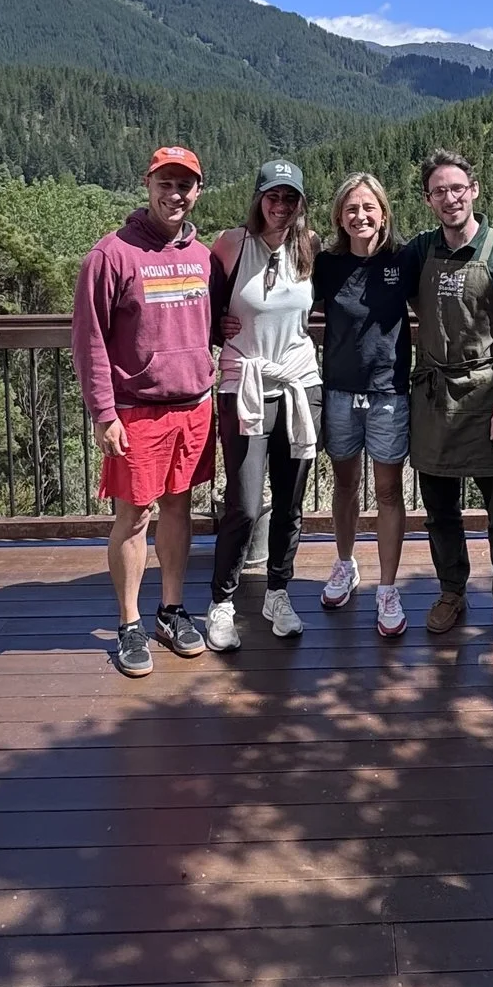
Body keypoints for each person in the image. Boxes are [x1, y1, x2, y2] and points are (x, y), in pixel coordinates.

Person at [72, 145, 217, 676]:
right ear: (147, 184)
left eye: (185, 184)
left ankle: (171, 611)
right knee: (133, 518)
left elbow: (216, 320)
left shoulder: (203, 257)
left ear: (197, 191)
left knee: (179, 510)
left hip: (194, 405)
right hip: (136, 410)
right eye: (166, 183)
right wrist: (104, 414)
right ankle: (129, 623)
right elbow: (89, 342)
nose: (174, 193)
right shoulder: (111, 255)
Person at [401, 148, 493, 643]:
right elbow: (381, 284)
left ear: (473, 190)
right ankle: (451, 590)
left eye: (458, 188)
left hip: (487, 394)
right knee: (439, 510)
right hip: (433, 394)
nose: (450, 198)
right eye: (439, 191)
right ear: (428, 200)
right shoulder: (418, 251)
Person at [204, 159, 324, 650]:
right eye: (272, 197)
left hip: (300, 386)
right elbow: (204, 310)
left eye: (290, 198)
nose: (281, 206)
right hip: (243, 384)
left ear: (300, 204)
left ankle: (278, 592)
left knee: (291, 504)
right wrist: (218, 328)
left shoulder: (309, 247)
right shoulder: (231, 245)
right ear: (257, 199)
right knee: (246, 503)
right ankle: (222, 601)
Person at [310, 172, 413, 637]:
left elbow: (435, 309)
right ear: (339, 217)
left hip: (389, 392)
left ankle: (387, 588)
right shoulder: (327, 264)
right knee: (345, 485)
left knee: (390, 491)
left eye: (369, 208)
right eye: (351, 209)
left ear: (384, 213)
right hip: (338, 390)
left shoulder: (403, 260)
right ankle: (345, 563)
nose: (360, 216)